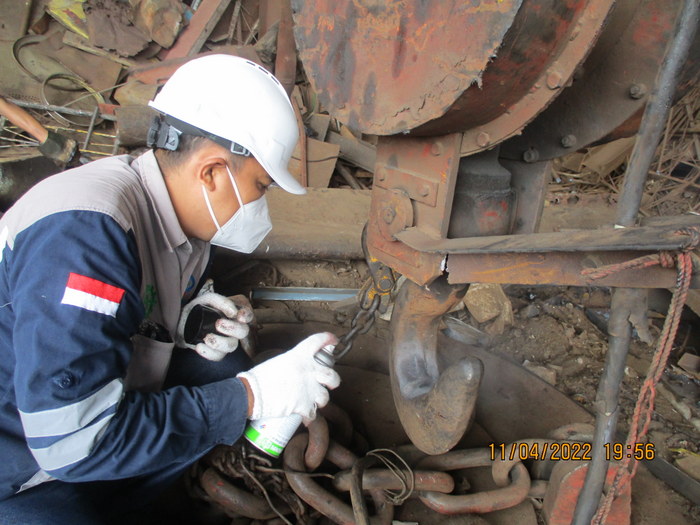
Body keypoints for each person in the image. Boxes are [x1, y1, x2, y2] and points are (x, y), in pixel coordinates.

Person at [0, 54, 340, 524]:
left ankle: (131, 498)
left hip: (70, 421)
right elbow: (71, 441)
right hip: (19, 458)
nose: (262, 202)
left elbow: (116, 314)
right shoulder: (85, 235)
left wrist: (180, 325)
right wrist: (251, 397)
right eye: (260, 185)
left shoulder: (178, 222)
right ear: (212, 172)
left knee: (224, 370)